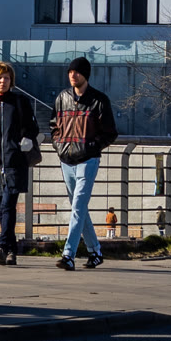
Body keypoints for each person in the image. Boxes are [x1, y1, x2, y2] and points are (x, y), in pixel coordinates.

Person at [50, 56, 119, 269]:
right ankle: (95, 251)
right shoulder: (62, 98)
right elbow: (53, 126)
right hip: (66, 160)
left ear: (85, 75)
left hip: (88, 161)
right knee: (79, 208)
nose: (73, 75)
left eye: (77, 72)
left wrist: (92, 147)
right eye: (70, 71)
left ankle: (68, 255)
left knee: (78, 206)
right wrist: (59, 145)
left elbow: (110, 133)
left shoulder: (99, 100)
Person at [0, 59, 42, 265]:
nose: (3, 81)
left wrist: (26, 139)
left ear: (11, 81)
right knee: (3, 209)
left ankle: (2, 246)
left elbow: (34, 128)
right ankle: (11, 251)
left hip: (15, 163)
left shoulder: (20, 102)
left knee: (7, 205)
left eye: (6, 78)